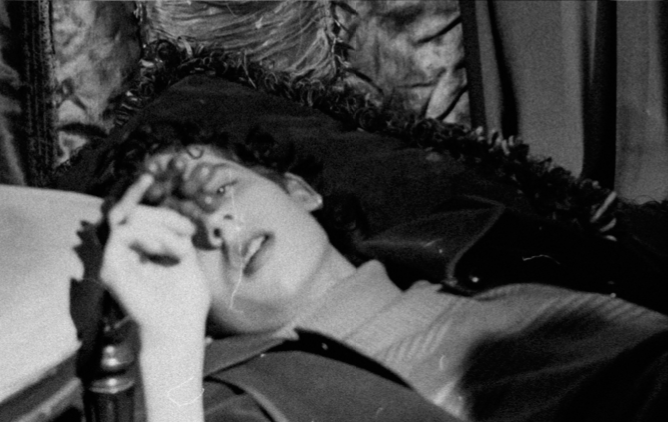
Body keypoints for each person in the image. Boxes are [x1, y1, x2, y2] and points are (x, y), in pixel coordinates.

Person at [99, 122, 668, 422]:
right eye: (180, 233)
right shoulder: (235, 396)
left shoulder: (484, 240)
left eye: (221, 188)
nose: (217, 226)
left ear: (299, 191)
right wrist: (170, 348)